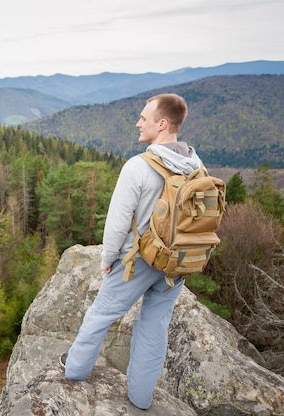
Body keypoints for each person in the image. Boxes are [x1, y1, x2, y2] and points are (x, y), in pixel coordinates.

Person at [60, 93, 203, 410]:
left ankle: (74, 371)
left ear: (162, 124)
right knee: (154, 326)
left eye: (144, 117)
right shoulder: (195, 164)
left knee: (101, 314)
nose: (138, 123)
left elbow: (117, 223)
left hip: (137, 260)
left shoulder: (138, 166)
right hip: (176, 262)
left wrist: (107, 259)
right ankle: (140, 398)